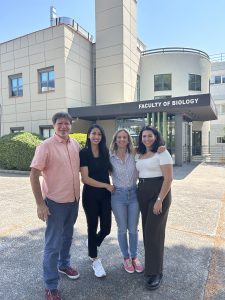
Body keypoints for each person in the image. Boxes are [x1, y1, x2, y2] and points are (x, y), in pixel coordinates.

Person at [30, 112, 80, 300]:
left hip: (74, 201)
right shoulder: (45, 146)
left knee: (67, 236)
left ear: (71, 125)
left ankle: (63, 264)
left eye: (67, 123)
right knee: (52, 245)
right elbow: (34, 175)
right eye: (60, 123)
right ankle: (50, 285)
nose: (64, 127)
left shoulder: (74, 144)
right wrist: (40, 204)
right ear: (54, 126)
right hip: (55, 203)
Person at [136, 126, 173, 290]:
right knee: (147, 231)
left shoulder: (162, 152)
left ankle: (156, 272)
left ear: (155, 136)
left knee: (154, 233)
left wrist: (159, 199)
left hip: (158, 193)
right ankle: (151, 267)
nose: (147, 138)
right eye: (144, 136)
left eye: (150, 136)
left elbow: (169, 178)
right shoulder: (139, 153)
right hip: (142, 192)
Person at [80, 124, 114, 278]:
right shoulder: (84, 153)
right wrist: (106, 185)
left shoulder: (105, 151)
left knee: (106, 228)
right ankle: (94, 259)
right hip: (91, 196)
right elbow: (85, 179)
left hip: (105, 196)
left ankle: (92, 243)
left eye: (99, 134)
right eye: (93, 133)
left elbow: (113, 166)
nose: (96, 136)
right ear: (89, 135)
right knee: (92, 227)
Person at [109, 129, 144, 274]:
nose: (122, 139)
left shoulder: (135, 154)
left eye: (125, 137)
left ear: (128, 139)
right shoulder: (110, 156)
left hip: (134, 194)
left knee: (133, 229)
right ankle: (125, 257)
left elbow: (151, 148)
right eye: (119, 137)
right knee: (122, 229)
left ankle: (134, 256)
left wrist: (161, 147)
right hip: (118, 195)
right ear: (115, 140)